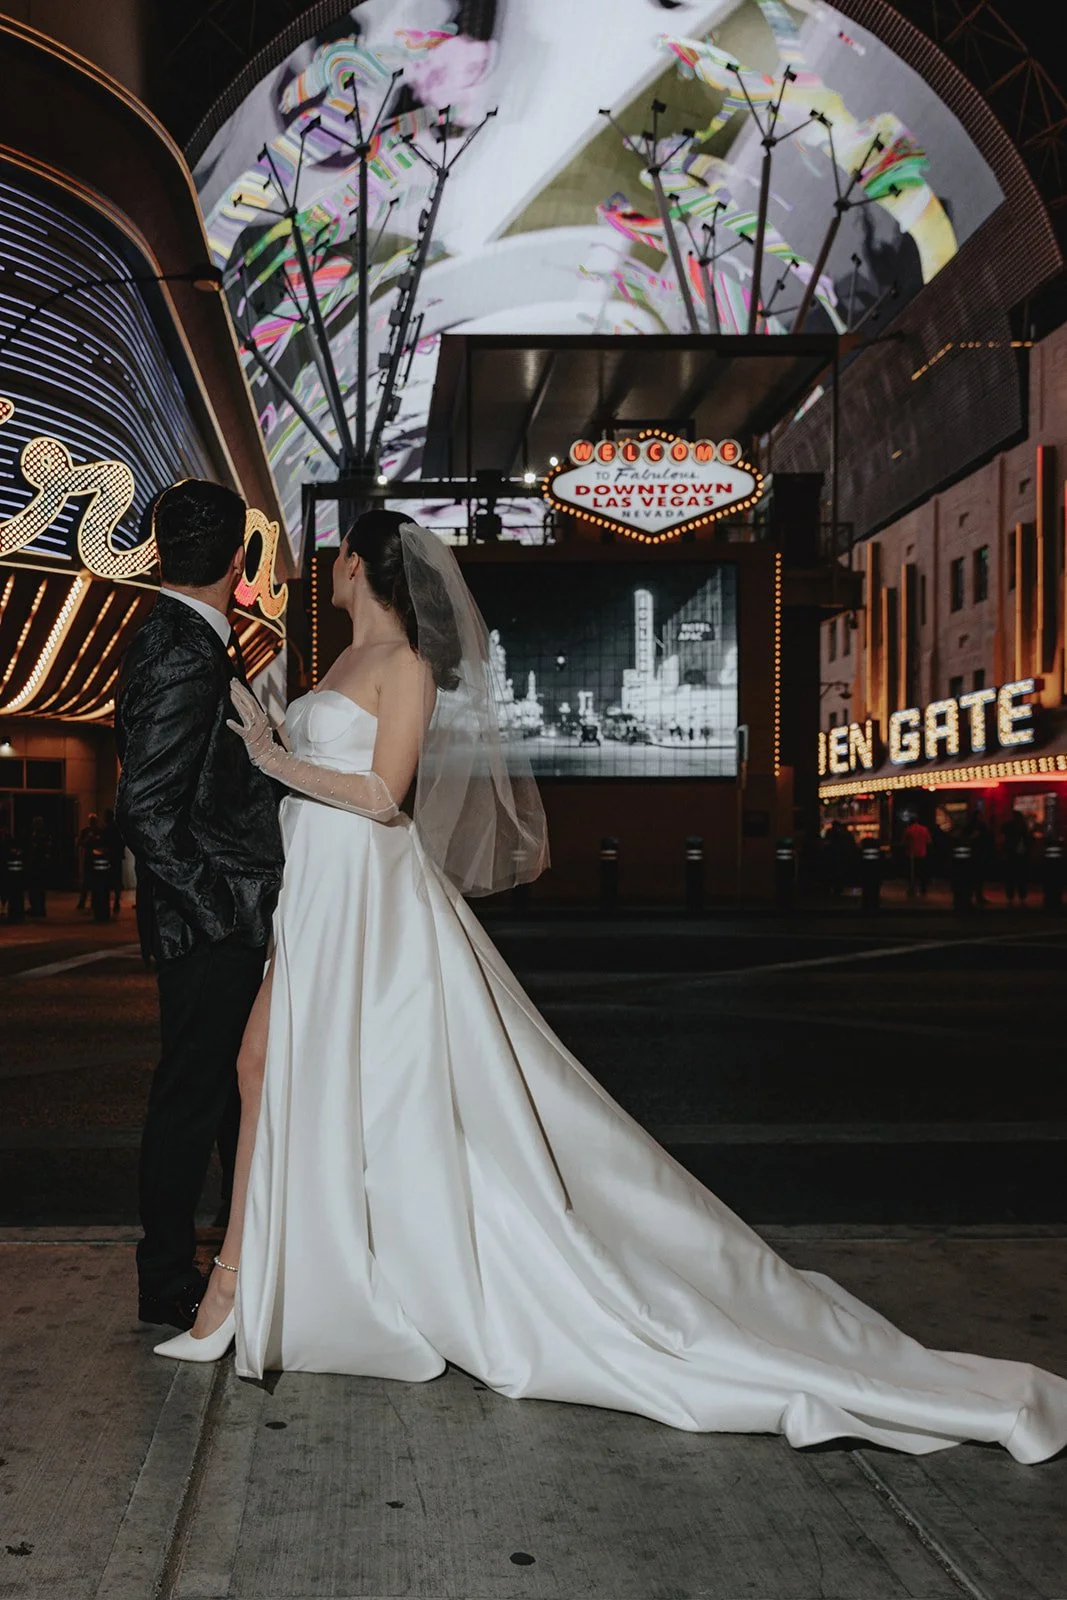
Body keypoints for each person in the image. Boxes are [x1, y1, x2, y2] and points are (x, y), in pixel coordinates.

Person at [155, 512, 1067, 1464]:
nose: (325, 569)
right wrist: (272, 741)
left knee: (304, 1073)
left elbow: (386, 795)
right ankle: (254, 1283)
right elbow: (319, 773)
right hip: (315, 885)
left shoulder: (406, 665)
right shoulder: (338, 661)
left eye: (335, 556)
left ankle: (237, 1289)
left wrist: (276, 758)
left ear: (355, 564)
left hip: (363, 889)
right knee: (268, 1068)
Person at [115, 480, 284, 1334]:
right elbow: (145, 807)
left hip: (209, 914)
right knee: (193, 1097)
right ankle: (166, 1280)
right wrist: (220, 911)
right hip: (209, 919)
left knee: (217, 1095)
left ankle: (230, 1254)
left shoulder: (178, 637)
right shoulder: (184, 648)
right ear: (239, 559)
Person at [1001, 809, 1033, 904]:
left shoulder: (1011, 826)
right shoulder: (1022, 826)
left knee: (1012, 877)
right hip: (1019, 854)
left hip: (1014, 854)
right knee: (1020, 877)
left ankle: (1011, 896)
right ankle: (1020, 896)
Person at [75, 812, 103, 911]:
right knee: (86, 881)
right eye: (91, 821)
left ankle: (94, 902)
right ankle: (82, 901)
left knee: (96, 881)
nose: (93, 822)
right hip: (88, 858)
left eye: (94, 821)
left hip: (97, 859)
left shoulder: (99, 831)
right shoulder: (85, 831)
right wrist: (87, 839)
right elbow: (79, 843)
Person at [100, 807, 125, 916]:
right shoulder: (117, 828)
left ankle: (111, 901)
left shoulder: (107, 829)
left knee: (108, 880)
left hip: (109, 857)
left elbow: (103, 842)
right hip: (116, 857)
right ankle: (116, 900)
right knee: (117, 880)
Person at [901, 815, 932, 897]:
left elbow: (904, 842)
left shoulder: (908, 830)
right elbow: (929, 841)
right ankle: (923, 888)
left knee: (912, 872)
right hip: (922, 853)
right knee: (922, 871)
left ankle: (912, 888)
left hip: (911, 854)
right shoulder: (924, 829)